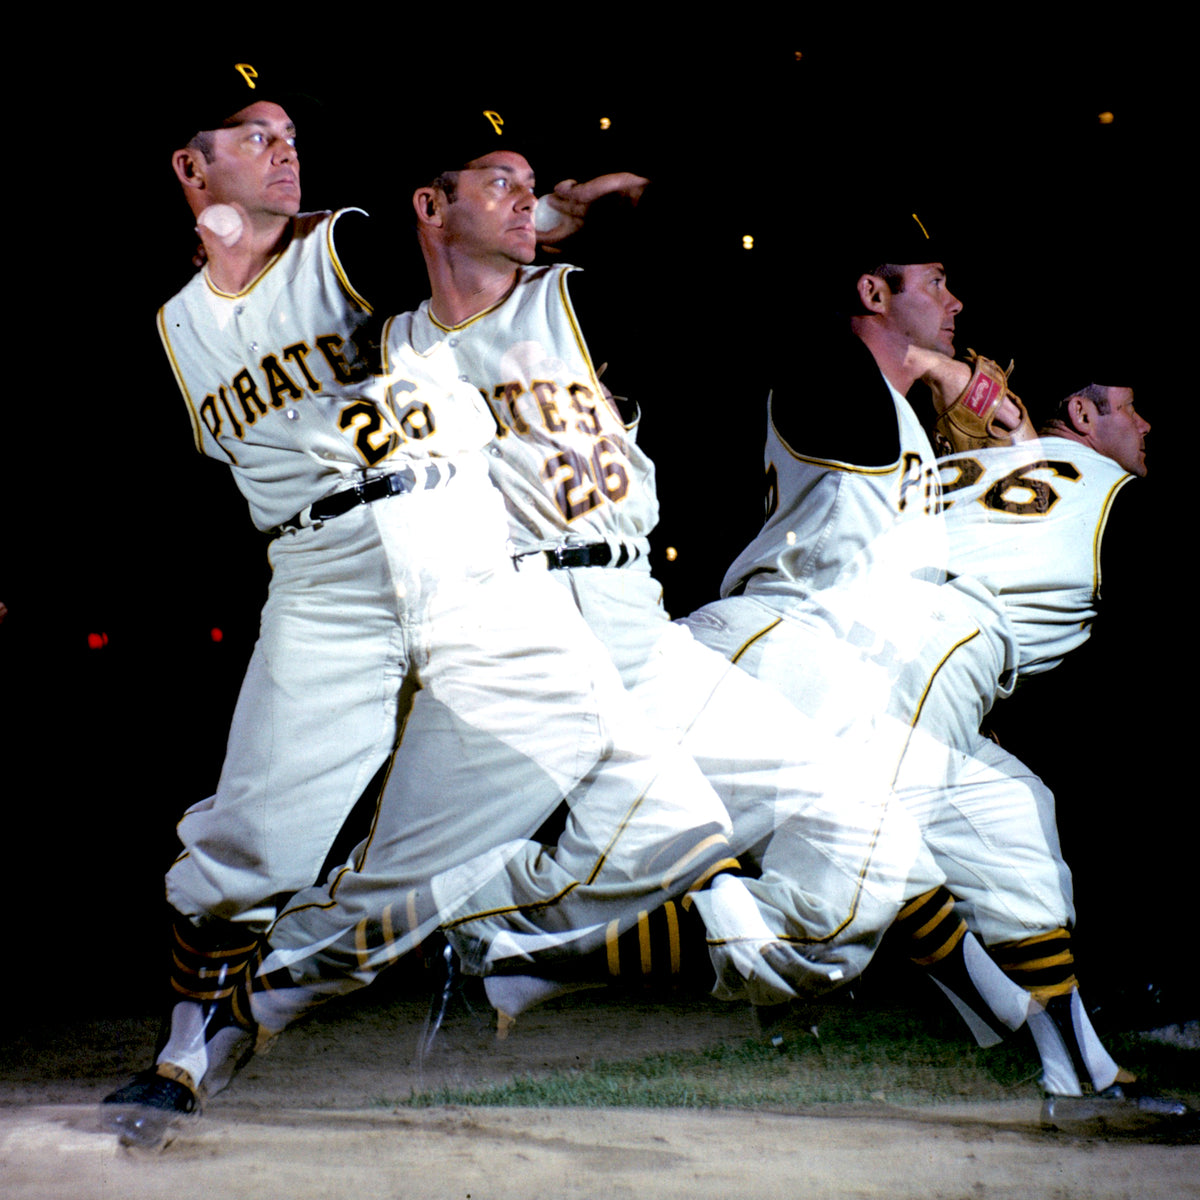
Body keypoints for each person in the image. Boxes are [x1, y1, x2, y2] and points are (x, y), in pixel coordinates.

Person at [100, 62, 777, 1149]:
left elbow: (452, 240)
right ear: (192, 166)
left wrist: (554, 208)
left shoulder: (348, 246)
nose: (285, 147)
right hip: (321, 581)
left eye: (291, 135)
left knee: (618, 760)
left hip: (461, 547)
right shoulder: (180, 327)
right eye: (254, 133)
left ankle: (484, 939)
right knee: (256, 847)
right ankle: (189, 1049)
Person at [396, 113, 1046, 1047]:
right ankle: (467, 933)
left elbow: (1014, 506)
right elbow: (787, 304)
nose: (953, 303)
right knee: (702, 849)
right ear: (873, 290)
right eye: (934, 284)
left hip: (812, 662)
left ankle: (501, 957)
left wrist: (987, 412)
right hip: (772, 647)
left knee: (833, 846)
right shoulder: (840, 384)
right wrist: (619, 203)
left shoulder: (903, 423)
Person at [683, 215, 1183, 1129]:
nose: (1148, 424)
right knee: (830, 912)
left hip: (844, 654)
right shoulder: (1089, 485)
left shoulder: (952, 462)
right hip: (833, 652)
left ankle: (1078, 1074)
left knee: (1010, 823)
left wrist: (968, 390)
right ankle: (502, 929)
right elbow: (870, 362)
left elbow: (976, 419)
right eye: (1132, 408)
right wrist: (957, 377)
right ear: (1081, 416)